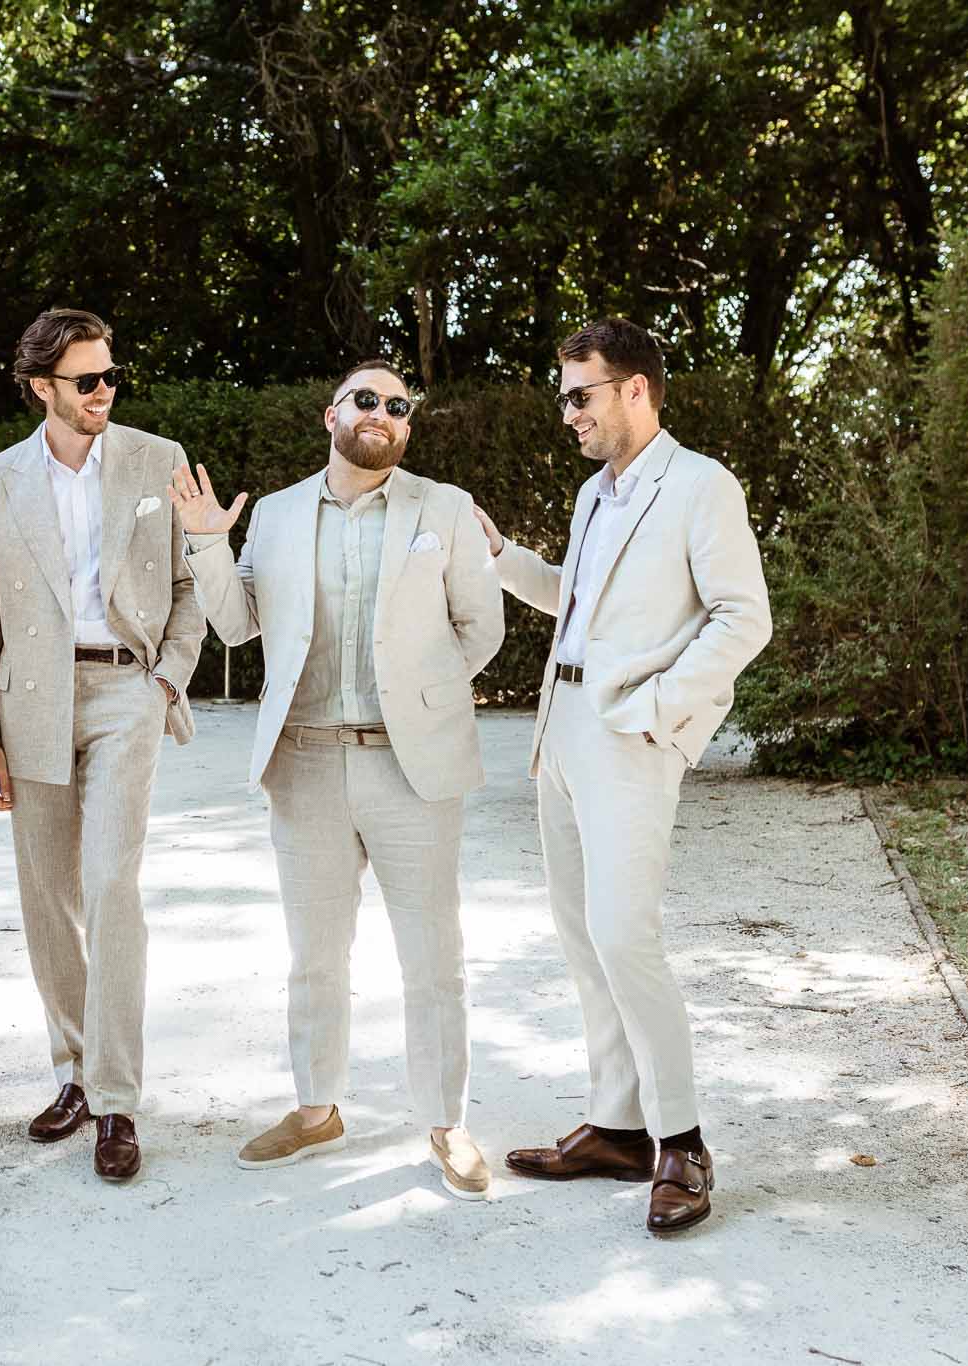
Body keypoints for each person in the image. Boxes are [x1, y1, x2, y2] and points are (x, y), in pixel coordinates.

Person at [171, 359, 504, 1198]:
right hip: (307, 758)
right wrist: (210, 542)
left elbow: (481, 630)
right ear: (332, 415)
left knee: (433, 956)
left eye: (399, 407)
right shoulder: (278, 516)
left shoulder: (447, 510)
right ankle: (317, 1110)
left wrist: (419, 700)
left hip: (410, 762)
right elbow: (239, 624)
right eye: (368, 399)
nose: (383, 414)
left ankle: (444, 1121)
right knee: (314, 955)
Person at [473, 317, 771, 1233]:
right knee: (579, 935)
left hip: (629, 739)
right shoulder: (593, 493)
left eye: (580, 395)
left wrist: (657, 711)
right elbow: (581, 597)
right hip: (559, 734)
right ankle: (617, 1125)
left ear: (634, 388)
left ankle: (682, 1142)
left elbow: (741, 617)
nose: (567, 413)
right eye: (564, 396)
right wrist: (500, 559)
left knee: (623, 933)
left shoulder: (700, 486)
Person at [0, 307, 205, 1182]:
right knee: (48, 895)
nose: (105, 392)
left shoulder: (156, 458)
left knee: (109, 884)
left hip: (125, 692)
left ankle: (117, 1098)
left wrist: (166, 677)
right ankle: (71, 1070)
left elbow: (189, 581)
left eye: (110, 377)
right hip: (30, 702)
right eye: (86, 380)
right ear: (41, 389)